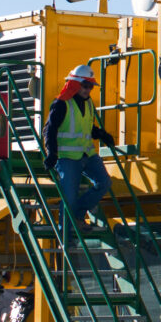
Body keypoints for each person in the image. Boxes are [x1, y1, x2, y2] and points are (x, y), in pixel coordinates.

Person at [45, 63, 112, 239]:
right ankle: (64, 237)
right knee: (69, 198)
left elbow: (86, 126)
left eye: (90, 86)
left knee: (104, 182)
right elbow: (49, 130)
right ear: (75, 84)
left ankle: (78, 214)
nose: (88, 89)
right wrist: (52, 153)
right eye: (85, 85)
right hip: (67, 158)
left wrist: (101, 134)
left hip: (87, 155)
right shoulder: (61, 104)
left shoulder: (88, 103)